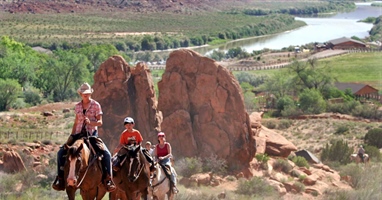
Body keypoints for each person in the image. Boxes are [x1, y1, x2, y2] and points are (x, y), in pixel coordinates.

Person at [52, 83, 116, 192]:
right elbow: (76, 121)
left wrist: (90, 122)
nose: (85, 95)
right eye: (83, 94)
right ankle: (60, 178)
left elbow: (100, 122)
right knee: (61, 152)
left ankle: (107, 179)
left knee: (107, 154)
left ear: (91, 93)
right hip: (77, 134)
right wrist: (72, 135)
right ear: (80, 94)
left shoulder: (96, 105)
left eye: (87, 93)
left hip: (91, 135)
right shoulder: (77, 106)